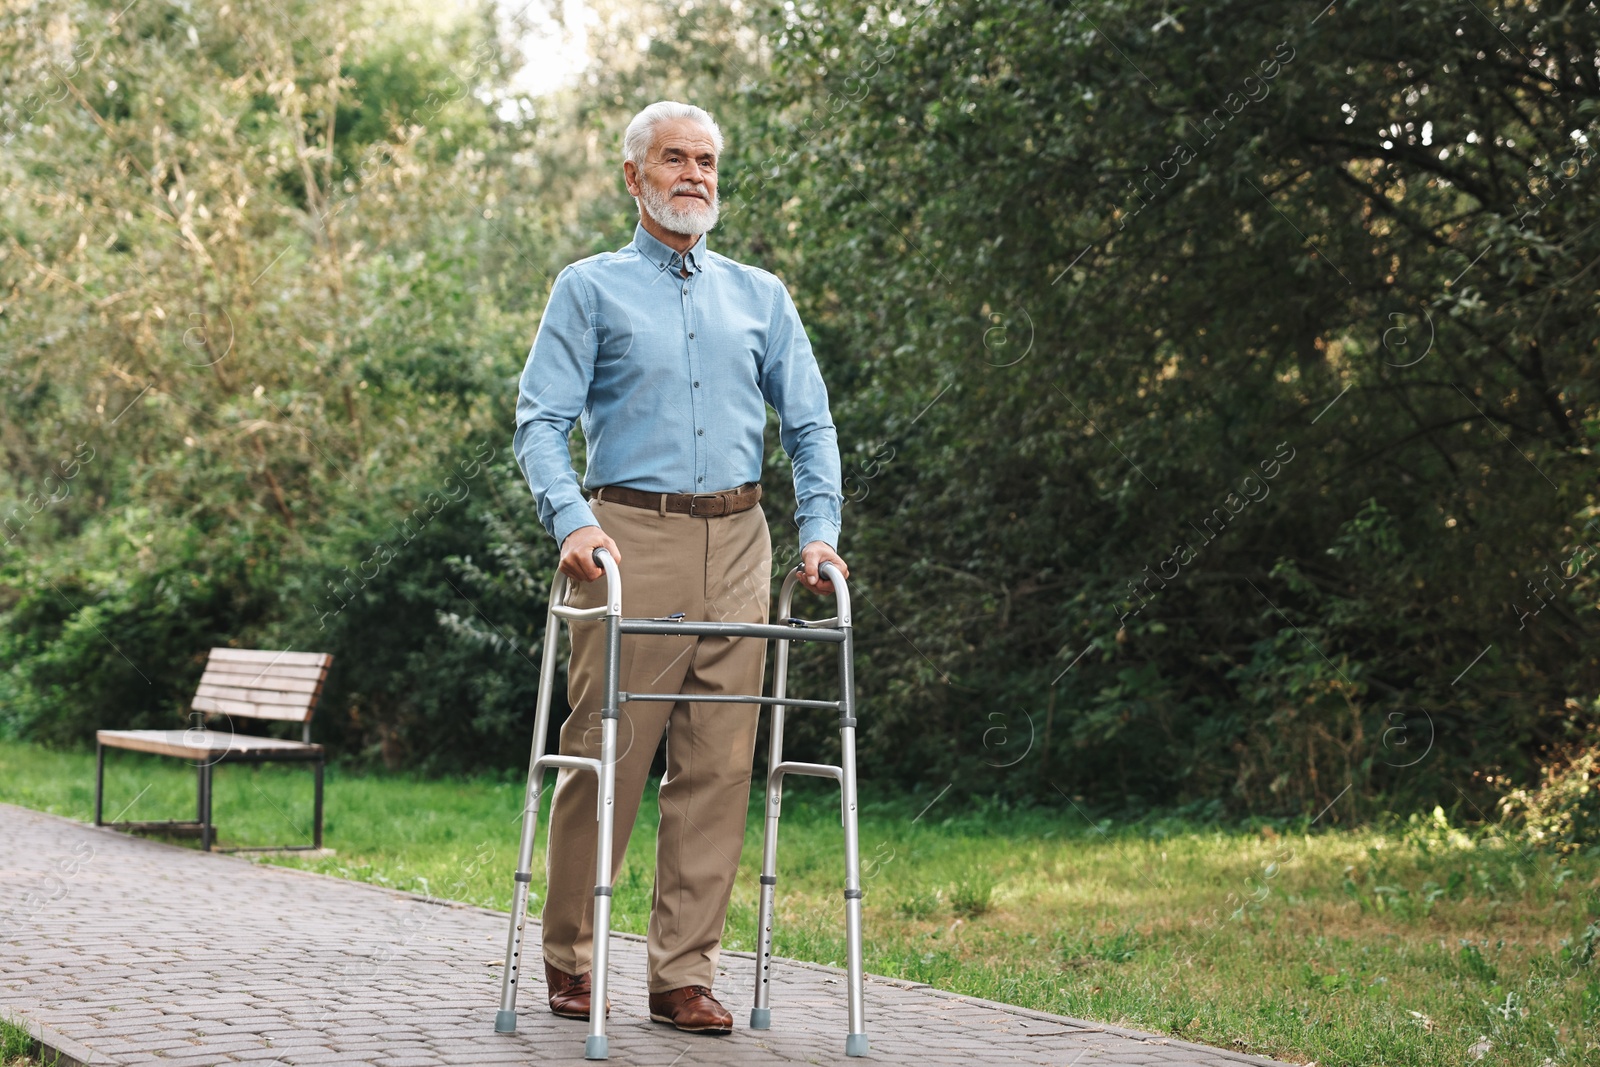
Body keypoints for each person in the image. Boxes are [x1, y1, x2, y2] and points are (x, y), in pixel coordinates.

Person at [511, 100, 848, 1036]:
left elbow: (811, 425)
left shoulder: (761, 296)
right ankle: (572, 960)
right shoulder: (590, 287)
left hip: (742, 542)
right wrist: (570, 519)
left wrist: (818, 529)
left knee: (719, 765)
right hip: (628, 538)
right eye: (674, 159)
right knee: (605, 755)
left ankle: (681, 973)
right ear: (635, 176)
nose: (694, 174)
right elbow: (539, 422)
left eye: (706, 159)